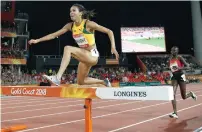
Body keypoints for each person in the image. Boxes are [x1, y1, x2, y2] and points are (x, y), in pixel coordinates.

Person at [28, 4, 119, 87]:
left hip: (92, 55)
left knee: (68, 48)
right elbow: (54, 35)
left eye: (74, 10)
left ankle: (57, 78)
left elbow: (109, 31)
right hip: (83, 56)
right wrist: (37, 40)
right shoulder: (70, 26)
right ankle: (104, 82)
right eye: (70, 11)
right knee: (81, 81)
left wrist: (113, 47)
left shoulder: (88, 24)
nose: (71, 12)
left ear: (81, 13)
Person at [168, 46, 197, 119]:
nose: (173, 51)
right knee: (172, 94)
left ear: (177, 51)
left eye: (175, 50)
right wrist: (169, 69)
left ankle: (190, 94)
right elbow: (171, 68)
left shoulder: (180, 57)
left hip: (181, 76)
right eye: (172, 50)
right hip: (174, 77)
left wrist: (179, 68)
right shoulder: (170, 59)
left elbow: (188, 66)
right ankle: (175, 113)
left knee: (183, 97)